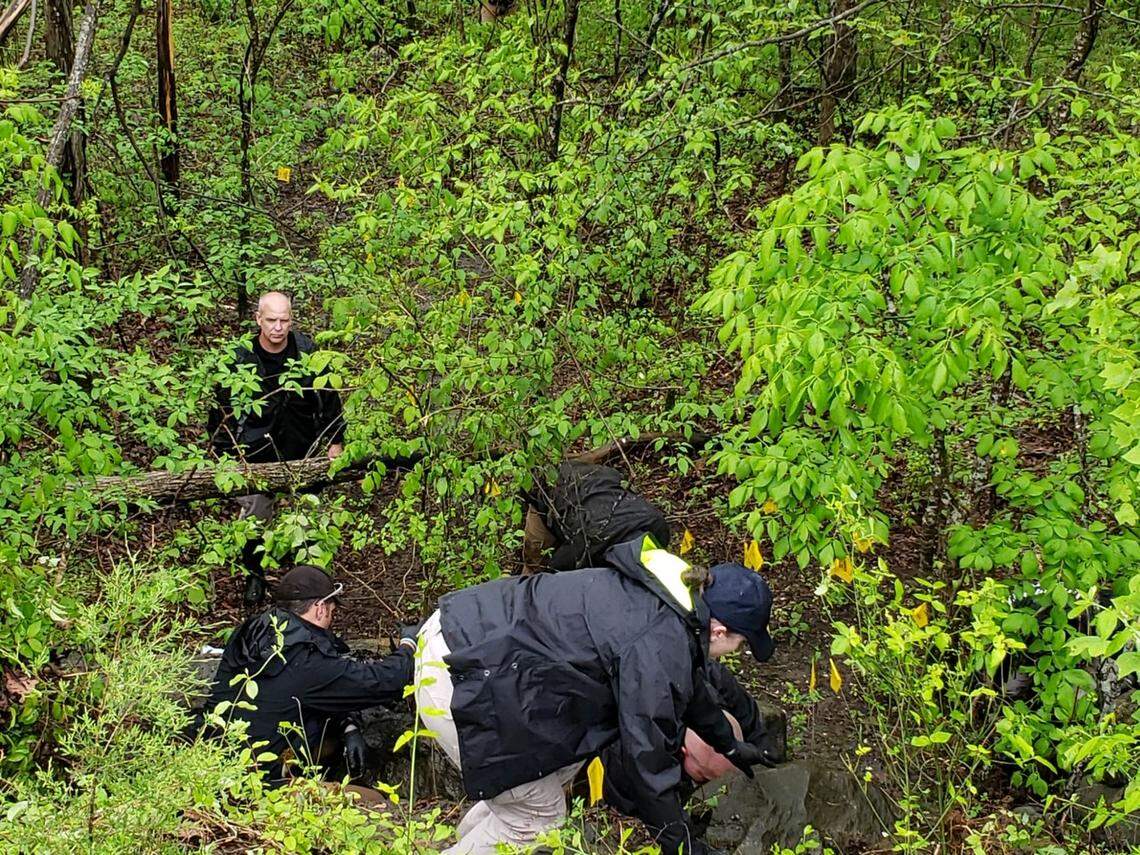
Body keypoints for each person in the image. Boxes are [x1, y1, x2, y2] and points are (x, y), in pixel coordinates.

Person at [414, 535, 777, 855]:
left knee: (546, 779)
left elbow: (689, 688)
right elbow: (646, 761)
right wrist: (681, 846)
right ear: (719, 631)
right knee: (537, 818)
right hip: (463, 675)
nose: (737, 651)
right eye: (741, 643)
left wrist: (728, 744)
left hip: (459, 631)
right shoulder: (656, 643)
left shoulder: (664, 597)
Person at [196, 565, 416, 783]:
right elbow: (385, 681)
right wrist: (409, 644)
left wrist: (348, 725)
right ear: (320, 608)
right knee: (371, 802)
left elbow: (306, 690)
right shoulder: (306, 657)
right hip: (255, 783)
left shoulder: (252, 630)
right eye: (332, 610)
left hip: (209, 763)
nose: (332, 616)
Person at [206, 291, 346, 606]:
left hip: (301, 448)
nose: (278, 327)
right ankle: (254, 576)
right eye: (271, 320)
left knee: (308, 518)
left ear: (291, 320)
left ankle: (308, 585)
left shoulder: (307, 351)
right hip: (254, 452)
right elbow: (222, 409)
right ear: (258, 319)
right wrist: (224, 452)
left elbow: (329, 397)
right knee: (256, 515)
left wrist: (335, 440)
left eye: (284, 320)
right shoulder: (240, 356)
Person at [521, 460, 671, 573]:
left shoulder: (656, 526)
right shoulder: (588, 544)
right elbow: (553, 574)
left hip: (591, 485)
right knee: (536, 561)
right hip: (555, 498)